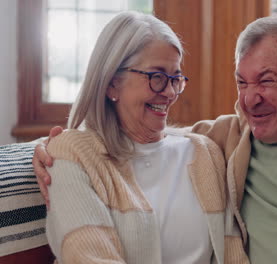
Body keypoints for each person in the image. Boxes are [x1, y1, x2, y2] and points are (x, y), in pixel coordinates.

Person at [34, 15, 277, 263]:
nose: (250, 98)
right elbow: (148, 140)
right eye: (242, 82)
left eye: (267, 81)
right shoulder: (228, 136)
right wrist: (49, 149)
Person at [36, 11, 247, 264]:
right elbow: (88, 258)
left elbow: (232, 254)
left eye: (175, 78)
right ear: (112, 83)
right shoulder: (72, 155)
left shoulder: (205, 153)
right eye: (156, 77)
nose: (169, 92)